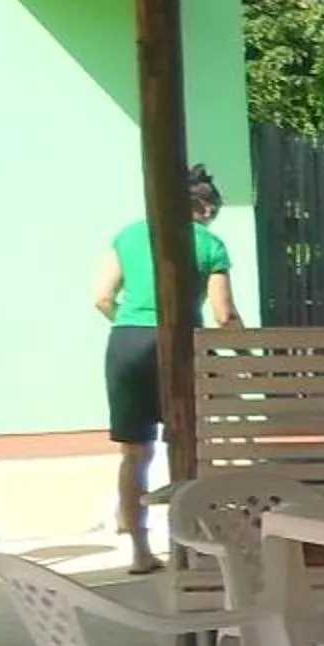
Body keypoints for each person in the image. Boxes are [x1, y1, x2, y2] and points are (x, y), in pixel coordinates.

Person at [96, 164, 240, 575]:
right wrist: (244, 355)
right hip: (180, 345)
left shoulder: (128, 235)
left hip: (126, 343)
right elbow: (224, 315)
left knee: (134, 453)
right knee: (188, 446)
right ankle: (192, 547)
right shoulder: (209, 244)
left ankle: (140, 552)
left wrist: (136, 325)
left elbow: (102, 297)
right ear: (205, 208)